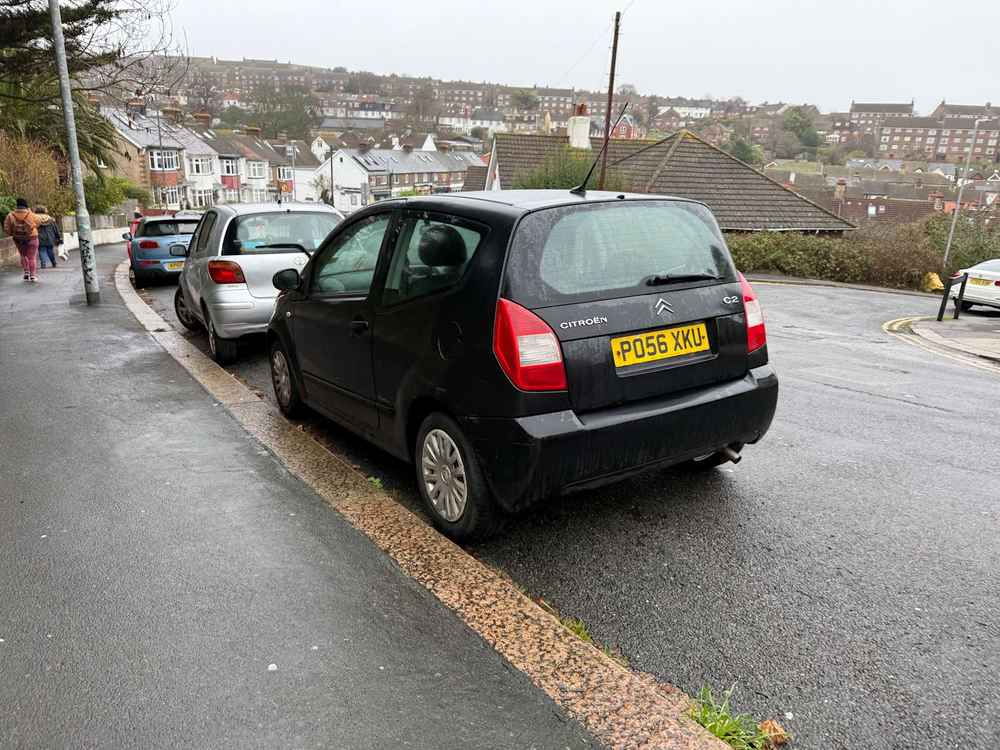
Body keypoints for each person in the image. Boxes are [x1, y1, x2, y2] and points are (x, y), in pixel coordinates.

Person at [3, 198, 40, 282]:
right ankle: (33, 275)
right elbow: (38, 222)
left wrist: (12, 233)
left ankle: (26, 272)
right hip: (32, 237)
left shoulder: (10, 215)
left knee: (23, 255)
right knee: (32, 257)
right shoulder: (31, 214)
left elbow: (6, 228)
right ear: (26, 205)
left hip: (18, 239)